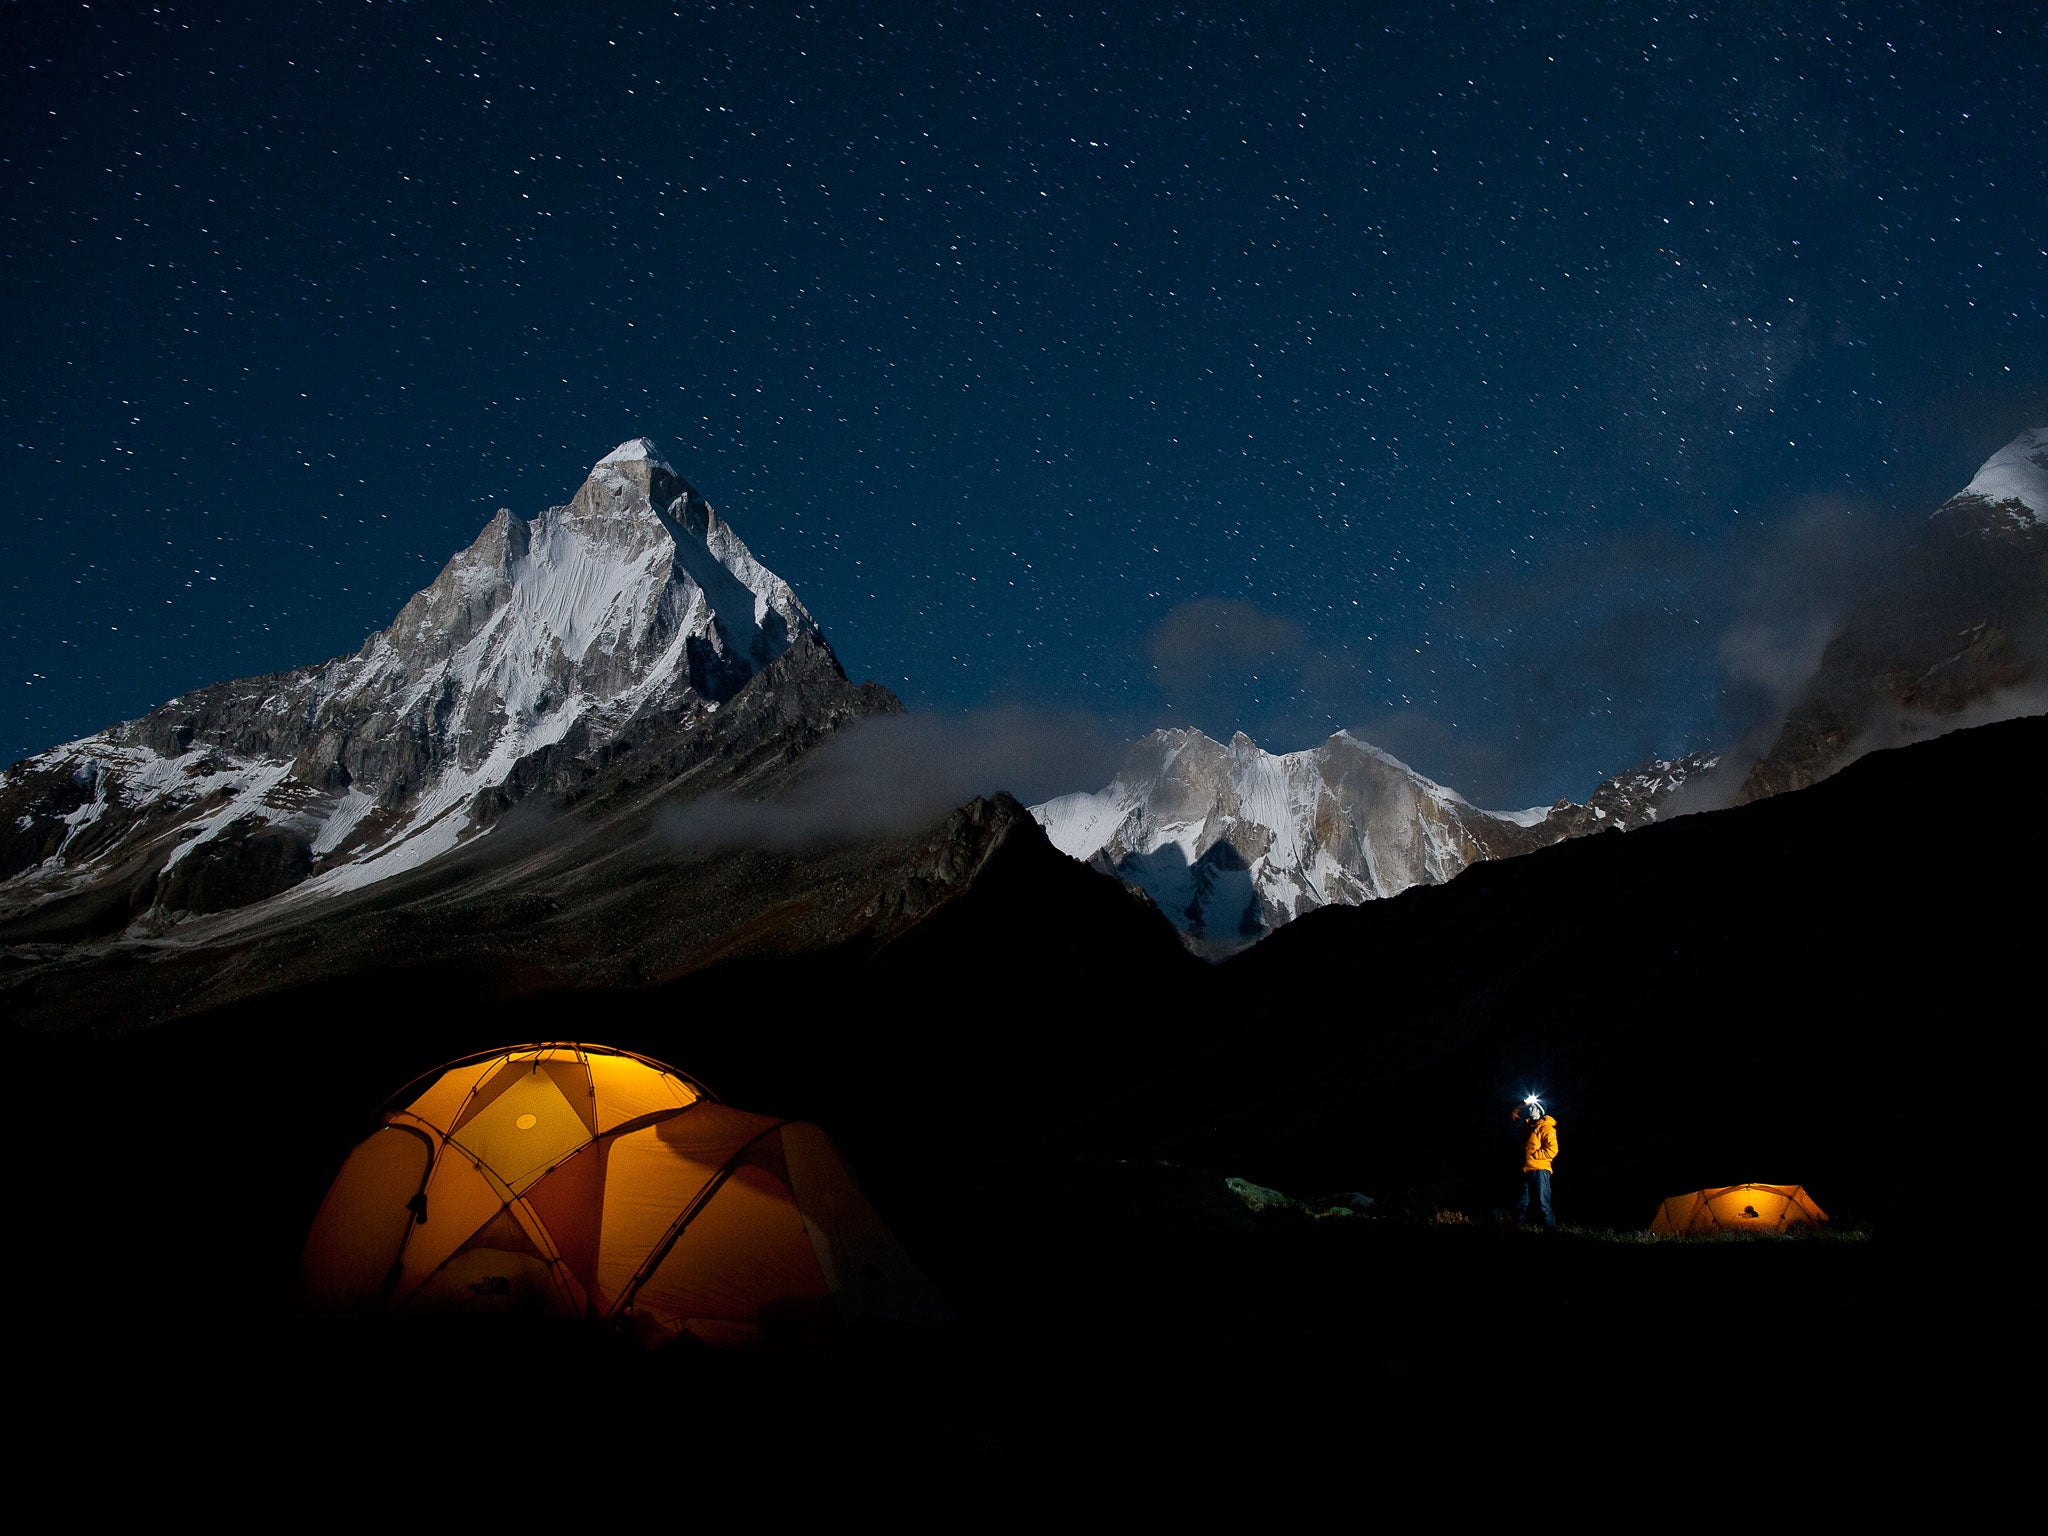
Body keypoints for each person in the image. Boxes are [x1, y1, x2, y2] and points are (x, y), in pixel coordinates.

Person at [1513, 1098, 1558, 1229]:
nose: (1530, 1109)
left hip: (1540, 1169)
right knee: (1522, 1202)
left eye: (1532, 1107)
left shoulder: (1546, 1127)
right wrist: (1523, 1103)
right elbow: (1514, 1116)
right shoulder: (1528, 1126)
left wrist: (1535, 1156)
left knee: (1543, 1203)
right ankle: (1515, 1230)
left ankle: (1550, 1232)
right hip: (1526, 1169)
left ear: (1539, 1110)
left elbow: (1552, 1149)